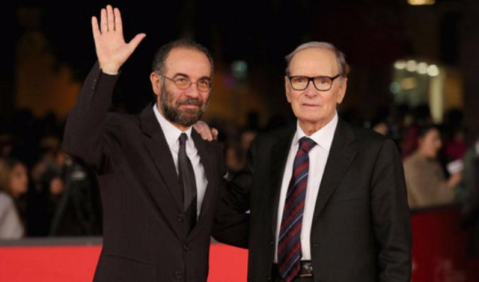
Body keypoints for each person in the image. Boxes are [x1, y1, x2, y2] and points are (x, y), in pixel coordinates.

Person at [62, 5, 237, 282]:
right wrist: (107, 69)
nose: (193, 92)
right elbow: (77, 142)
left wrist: (294, 236)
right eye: (182, 80)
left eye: (203, 83)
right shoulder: (121, 133)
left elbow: (223, 221)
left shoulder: (210, 147)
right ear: (156, 83)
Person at [214, 42, 412, 282]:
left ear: (341, 89)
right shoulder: (266, 147)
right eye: (299, 80)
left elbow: (395, 250)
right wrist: (200, 150)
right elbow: (225, 213)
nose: (310, 91)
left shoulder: (376, 152)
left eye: (322, 81)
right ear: (288, 89)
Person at [404, 125, 461, 209]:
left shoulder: (434, 162)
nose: (439, 144)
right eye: (434, 140)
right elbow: (429, 201)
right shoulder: (412, 165)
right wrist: (452, 183)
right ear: (421, 141)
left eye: (439, 140)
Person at [0, 158, 28, 239]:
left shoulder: (13, 202)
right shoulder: (4, 200)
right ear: (6, 176)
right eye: (18, 175)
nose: (25, 179)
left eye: (25, 174)